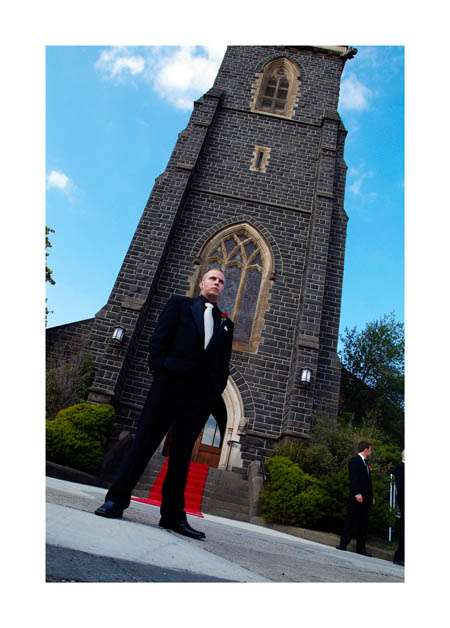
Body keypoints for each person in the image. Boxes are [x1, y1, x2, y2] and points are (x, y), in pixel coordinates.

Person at [94, 268, 234, 540]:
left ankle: (172, 516)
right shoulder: (180, 305)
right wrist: (161, 371)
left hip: (199, 397)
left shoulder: (226, 323)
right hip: (168, 386)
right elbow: (160, 338)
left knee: (182, 456)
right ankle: (116, 500)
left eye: (221, 281)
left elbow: (223, 363)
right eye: (212, 278)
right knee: (143, 443)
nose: (217, 283)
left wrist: (213, 391)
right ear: (202, 282)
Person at [336, 441, 374, 556]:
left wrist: (371, 496)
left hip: (366, 498)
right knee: (351, 520)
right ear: (366, 450)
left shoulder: (366, 463)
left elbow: (368, 482)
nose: (371, 452)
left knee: (364, 523)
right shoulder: (355, 460)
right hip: (357, 496)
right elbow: (353, 478)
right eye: (370, 450)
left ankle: (361, 548)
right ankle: (343, 544)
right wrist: (357, 493)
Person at [393, 450, 405, 566]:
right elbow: (401, 488)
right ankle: (399, 556)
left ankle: (400, 556)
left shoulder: (400, 468)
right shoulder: (402, 469)